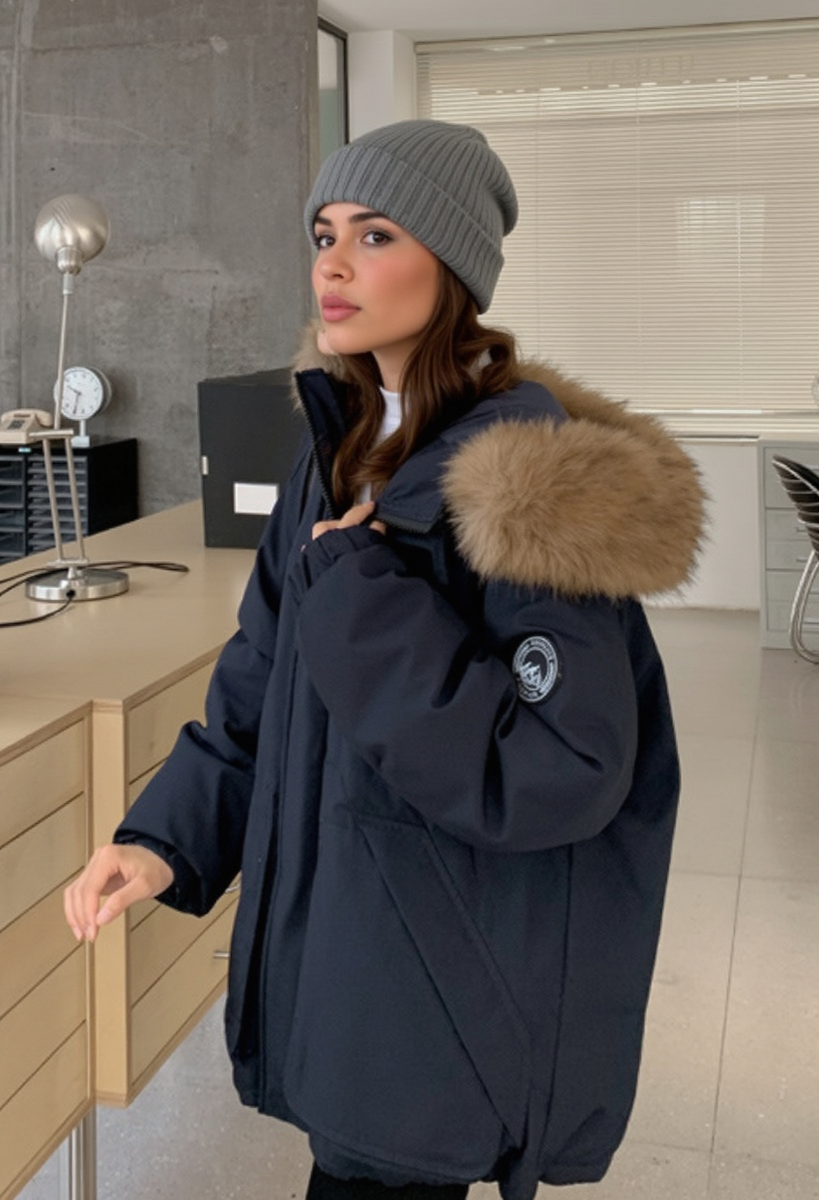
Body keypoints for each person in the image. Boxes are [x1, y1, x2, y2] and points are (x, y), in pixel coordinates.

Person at [65, 119, 705, 1200]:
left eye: (375, 235)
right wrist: (165, 839)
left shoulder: (524, 485)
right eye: (324, 235)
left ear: (451, 267)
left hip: (433, 985)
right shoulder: (342, 448)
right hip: (347, 954)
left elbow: (563, 766)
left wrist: (362, 598)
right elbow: (262, 684)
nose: (333, 264)